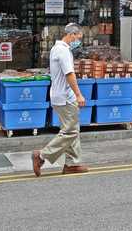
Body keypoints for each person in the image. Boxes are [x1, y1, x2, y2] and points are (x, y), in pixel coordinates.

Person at [33, 23, 88, 176]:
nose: (79, 41)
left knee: (73, 130)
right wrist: (78, 94)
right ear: (72, 35)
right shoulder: (62, 51)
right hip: (65, 97)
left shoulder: (58, 49)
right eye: (78, 37)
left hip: (60, 95)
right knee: (69, 131)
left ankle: (72, 164)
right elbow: (69, 74)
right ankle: (42, 155)